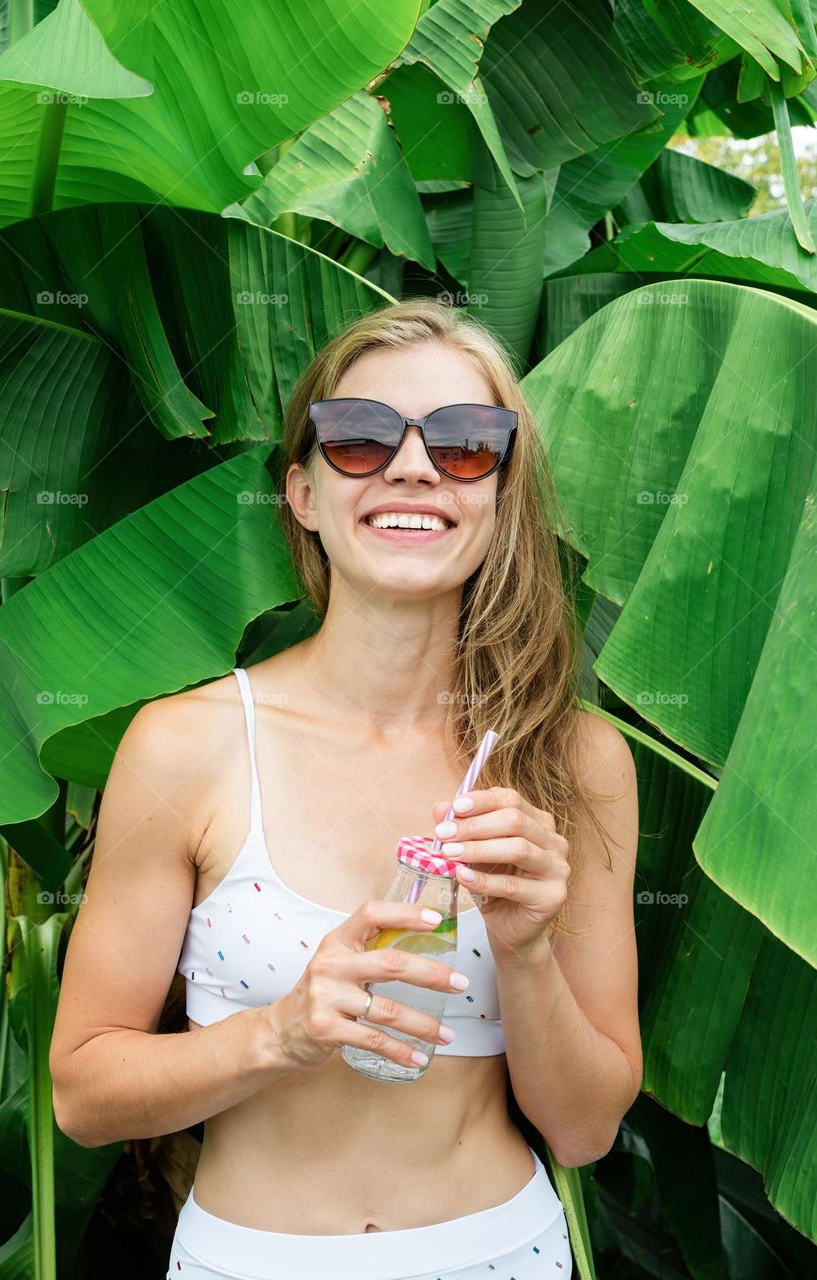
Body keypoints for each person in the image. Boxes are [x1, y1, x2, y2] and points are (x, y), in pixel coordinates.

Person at [49, 298, 642, 1279]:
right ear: (303, 492)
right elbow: (82, 1095)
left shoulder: (569, 760)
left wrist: (527, 948)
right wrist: (277, 1033)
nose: (412, 465)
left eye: (463, 443)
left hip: (498, 1251)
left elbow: (581, 1130)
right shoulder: (185, 745)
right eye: (360, 438)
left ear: (498, 492)